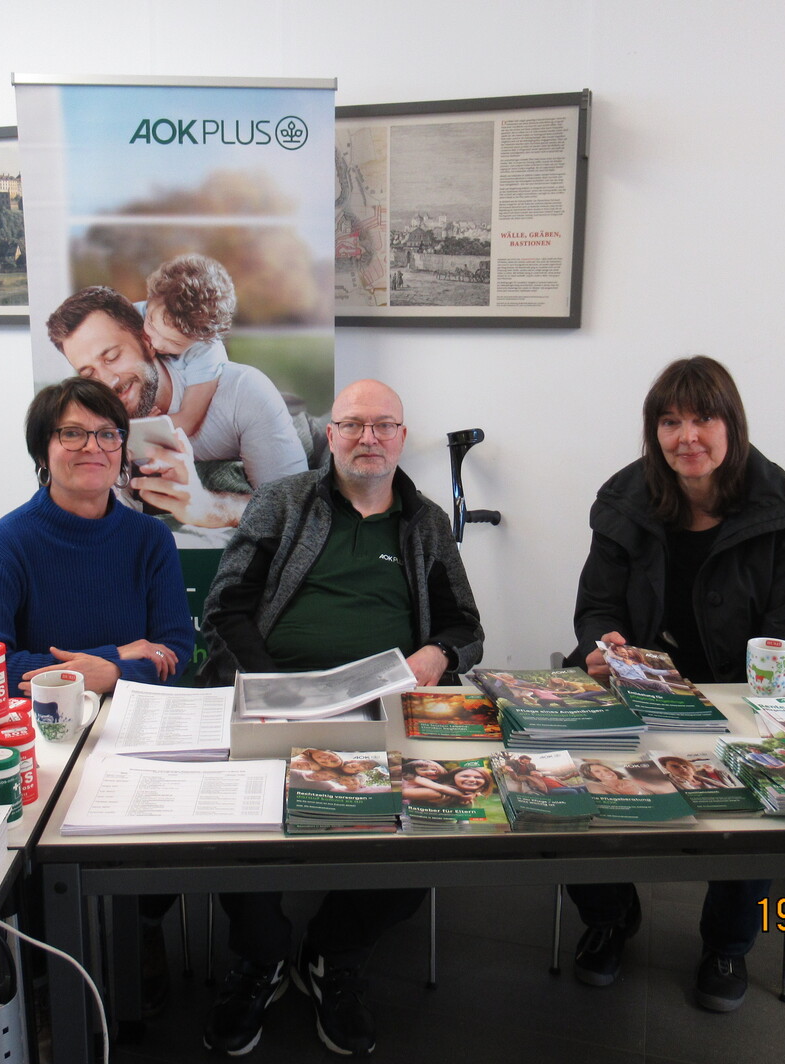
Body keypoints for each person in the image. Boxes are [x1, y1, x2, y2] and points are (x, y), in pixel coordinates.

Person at [198, 378, 483, 1056]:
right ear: (330, 437)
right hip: (272, 699)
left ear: (401, 438)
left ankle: (335, 953)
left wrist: (438, 657)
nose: (368, 438)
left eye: (383, 426)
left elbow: (465, 627)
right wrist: (271, 687)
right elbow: (225, 607)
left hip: (385, 707)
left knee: (434, 818)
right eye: (353, 424)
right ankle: (261, 956)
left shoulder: (426, 525)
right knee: (228, 822)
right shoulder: (282, 502)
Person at [568, 355, 785, 1012]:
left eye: (703, 419)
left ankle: (728, 944)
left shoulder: (783, 511)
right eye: (671, 421)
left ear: (731, 425)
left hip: (738, 695)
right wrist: (607, 647)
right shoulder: (625, 498)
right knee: (562, 775)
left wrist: (754, 693)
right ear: (654, 432)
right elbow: (597, 607)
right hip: (636, 691)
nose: (688, 437)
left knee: (763, 789)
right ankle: (609, 915)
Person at [0, 376, 194, 697]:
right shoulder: (3, 545)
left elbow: (174, 651)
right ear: (42, 454)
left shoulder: (151, 538)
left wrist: (112, 674)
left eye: (108, 434)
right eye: (72, 433)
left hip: (128, 721)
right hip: (39, 729)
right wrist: (113, 659)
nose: (93, 446)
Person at [45, 287, 307, 531]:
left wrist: (210, 507)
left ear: (147, 342)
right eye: (89, 373)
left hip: (287, 423)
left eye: (112, 357)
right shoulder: (95, 425)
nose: (108, 382)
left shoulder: (242, 390)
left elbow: (295, 510)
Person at [137, 254, 235, 438]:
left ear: (200, 339)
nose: (155, 343)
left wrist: (143, 426)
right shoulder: (132, 314)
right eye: (150, 323)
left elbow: (188, 421)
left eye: (174, 342)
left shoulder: (207, 351)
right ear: (150, 299)